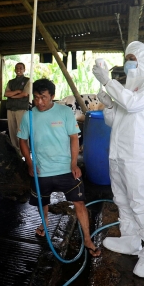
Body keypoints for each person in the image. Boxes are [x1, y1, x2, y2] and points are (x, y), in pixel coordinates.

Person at [92, 41, 144, 278]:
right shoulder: (126, 88)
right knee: (122, 199)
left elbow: (133, 104)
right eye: (127, 57)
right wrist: (108, 105)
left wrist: (107, 81)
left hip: (138, 156)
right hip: (118, 153)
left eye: (133, 58)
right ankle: (130, 239)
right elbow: (117, 120)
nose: (128, 62)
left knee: (141, 203)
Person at [17, 79, 100, 257]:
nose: (39, 102)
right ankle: (45, 223)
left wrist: (73, 163)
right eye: (37, 97)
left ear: (53, 97)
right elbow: (22, 140)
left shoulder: (64, 112)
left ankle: (87, 238)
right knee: (42, 202)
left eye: (44, 97)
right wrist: (29, 163)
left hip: (66, 169)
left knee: (79, 202)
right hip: (41, 170)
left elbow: (74, 138)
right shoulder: (28, 116)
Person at [5, 62, 31, 154]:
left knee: (22, 131)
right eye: (17, 68)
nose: (18, 70)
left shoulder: (28, 80)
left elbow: (25, 94)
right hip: (10, 109)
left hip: (21, 108)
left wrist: (12, 96)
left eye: (21, 68)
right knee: (12, 131)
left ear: (24, 70)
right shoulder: (11, 82)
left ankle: (25, 152)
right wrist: (17, 91)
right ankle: (16, 152)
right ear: (15, 70)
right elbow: (6, 94)